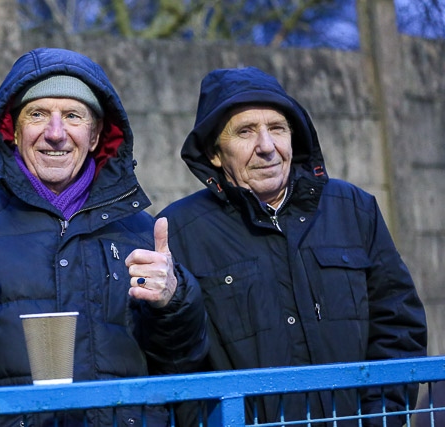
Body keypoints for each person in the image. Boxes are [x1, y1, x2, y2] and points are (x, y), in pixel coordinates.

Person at [0, 47, 208, 427]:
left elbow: (184, 361)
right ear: (13, 131)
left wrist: (174, 300)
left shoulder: (143, 231)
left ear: (95, 135)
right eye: (38, 114)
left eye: (73, 116)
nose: (56, 134)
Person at [158, 66, 428, 427]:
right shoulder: (179, 231)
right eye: (245, 132)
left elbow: (398, 326)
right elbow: (177, 364)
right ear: (214, 153)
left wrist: (381, 418)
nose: (266, 147)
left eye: (277, 129)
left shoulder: (354, 208)